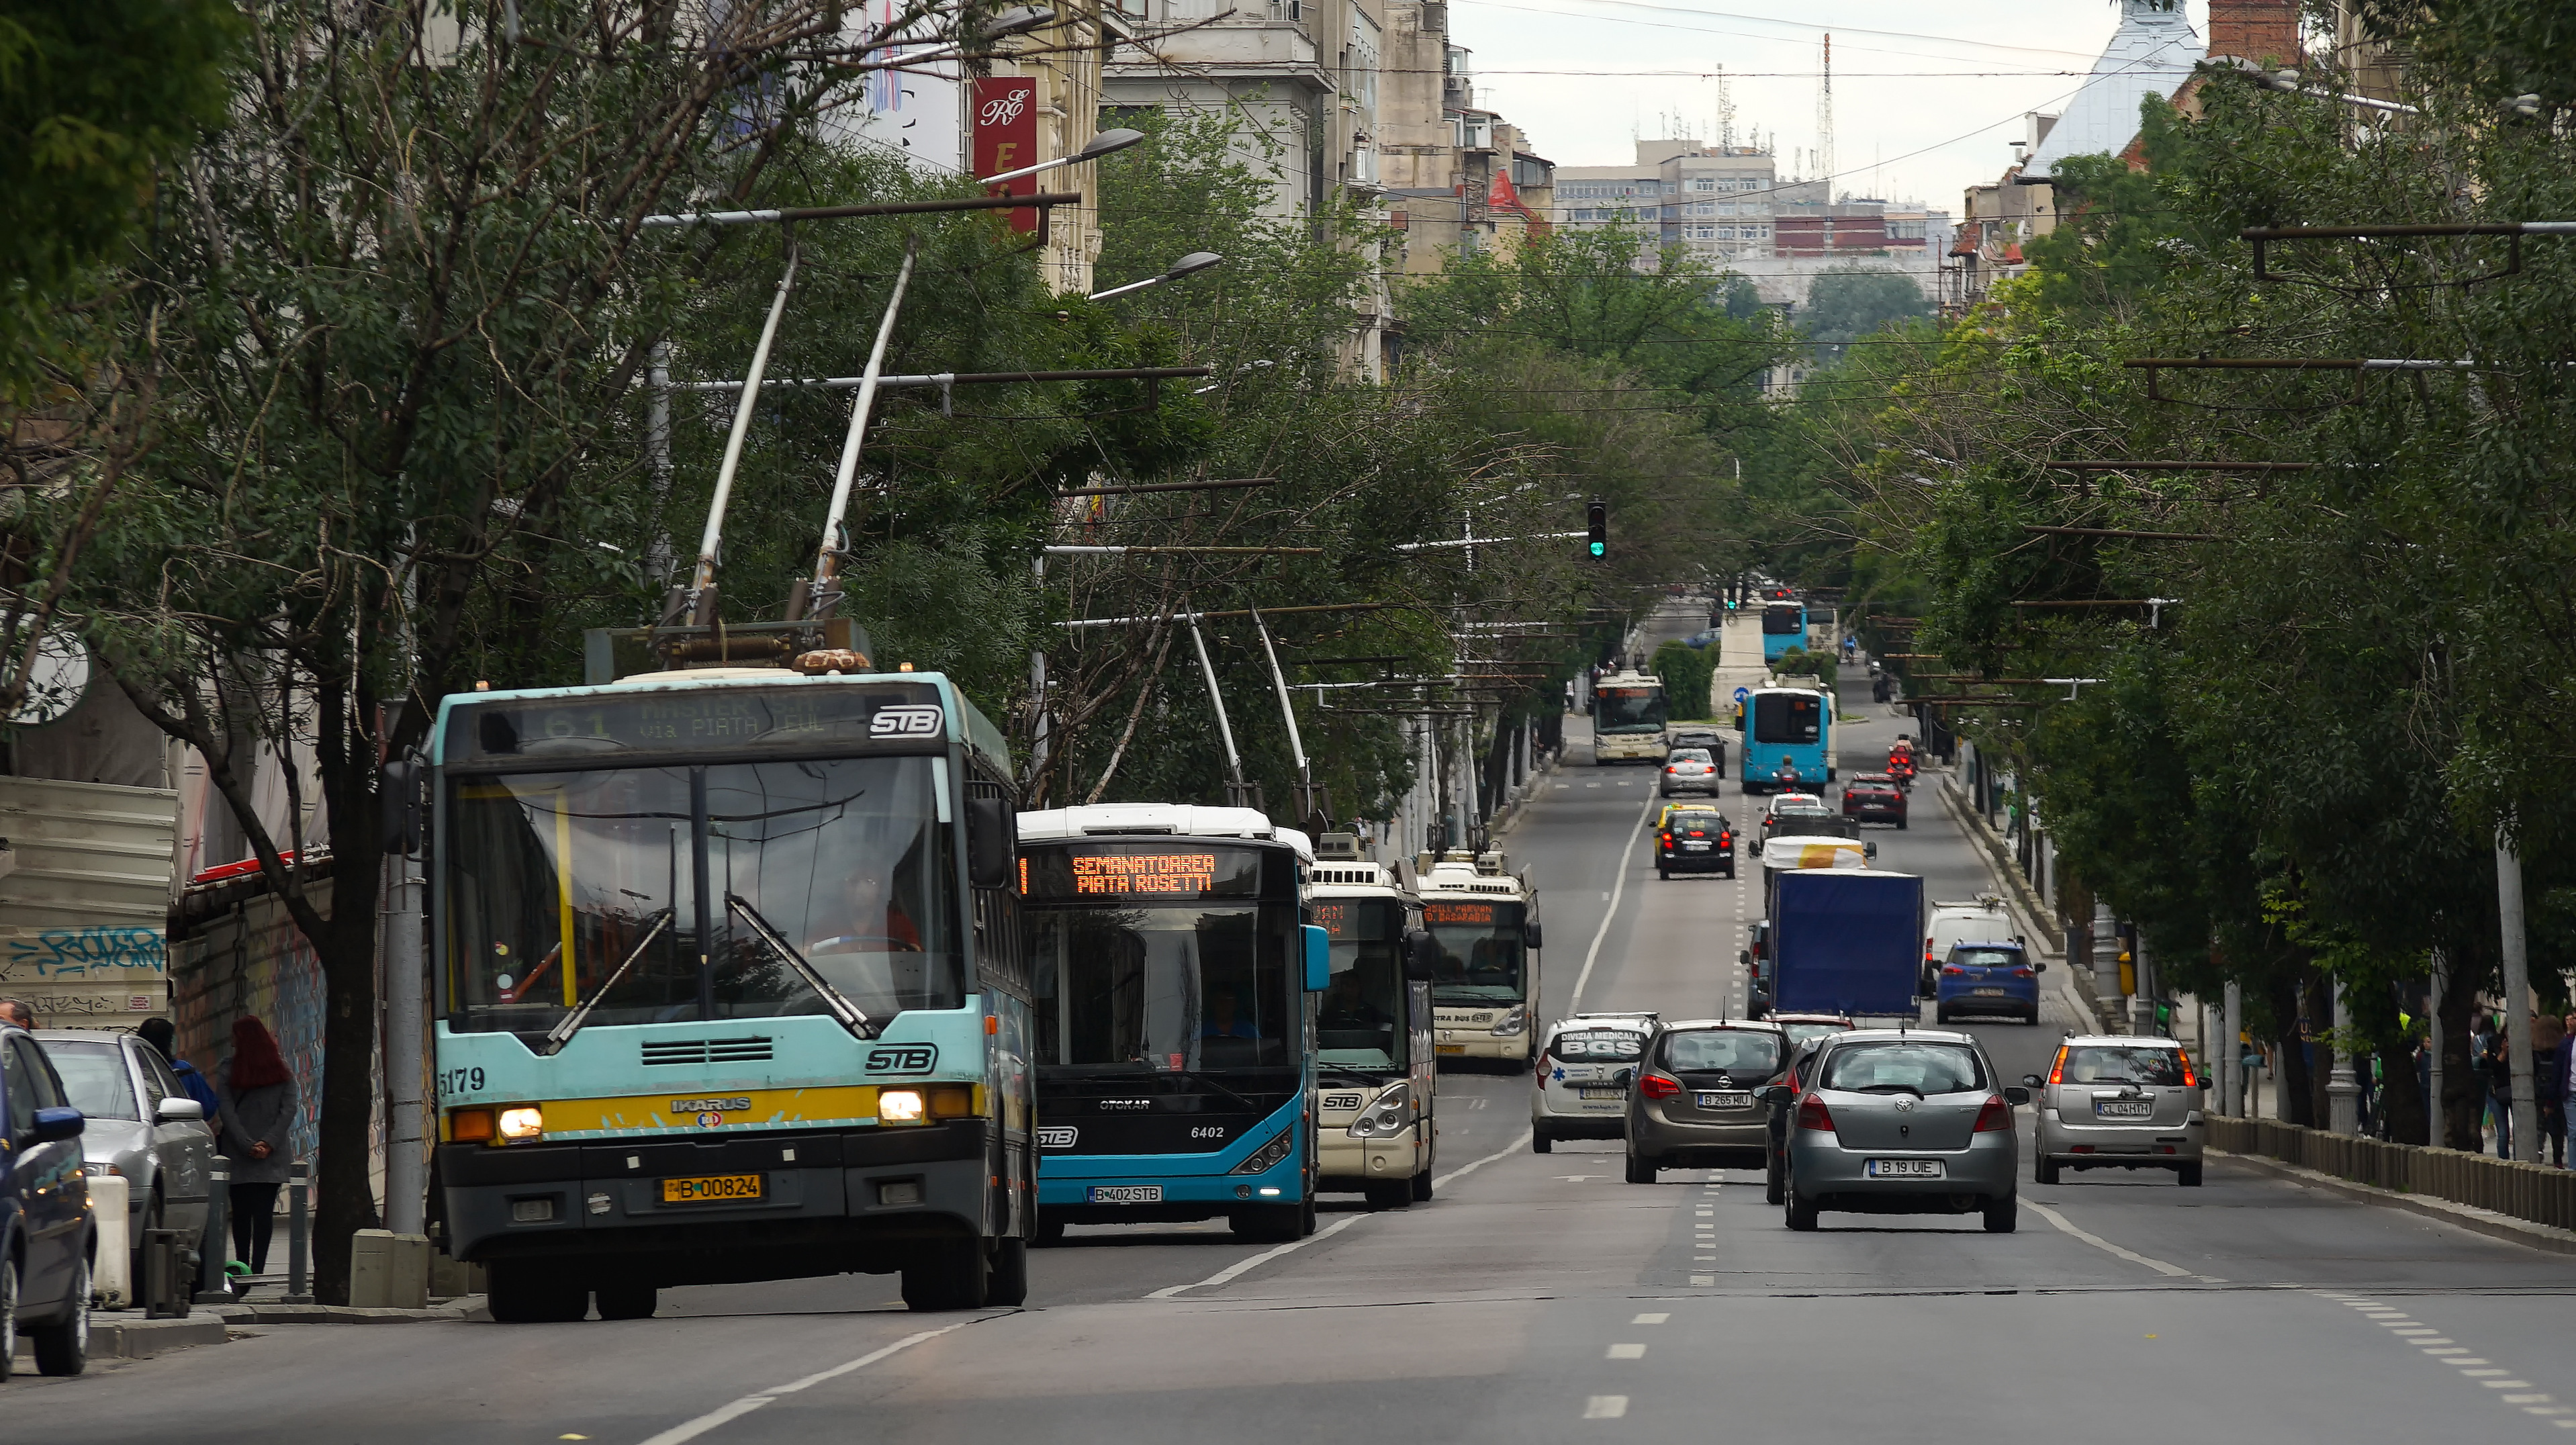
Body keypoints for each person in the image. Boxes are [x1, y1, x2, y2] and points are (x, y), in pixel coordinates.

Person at [218, 1015, 298, 1276]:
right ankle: (259, 1268)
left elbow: (227, 1112)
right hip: (271, 1155)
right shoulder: (281, 1070)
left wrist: (246, 1144)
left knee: (241, 1213)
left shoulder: (228, 1070)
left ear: (242, 1039)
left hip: (237, 1152)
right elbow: (289, 1109)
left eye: (234, 1036)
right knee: (264, 1213)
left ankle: (243, 1267)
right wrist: (268, 1143)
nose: (231, 1040)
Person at [138, 1017, 222, 1134]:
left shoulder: (131, 1070)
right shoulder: (184, 1070)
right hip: (182, 1134)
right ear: (169, 1044)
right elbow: (207, 1108)